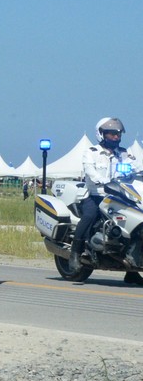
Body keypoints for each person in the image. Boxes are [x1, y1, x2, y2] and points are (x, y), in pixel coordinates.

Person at [69, 117, 143, 285]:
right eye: (111, 134)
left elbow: (137, 165)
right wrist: (100, 180)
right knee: (89, 216)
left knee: (134, 225)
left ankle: (132, 270)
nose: (115, 137)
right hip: (96, 195)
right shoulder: (92, 152)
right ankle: (75, 254)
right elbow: (89, 170)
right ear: (101, 135)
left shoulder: (124, 153)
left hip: (120, 195)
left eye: (117, 134)